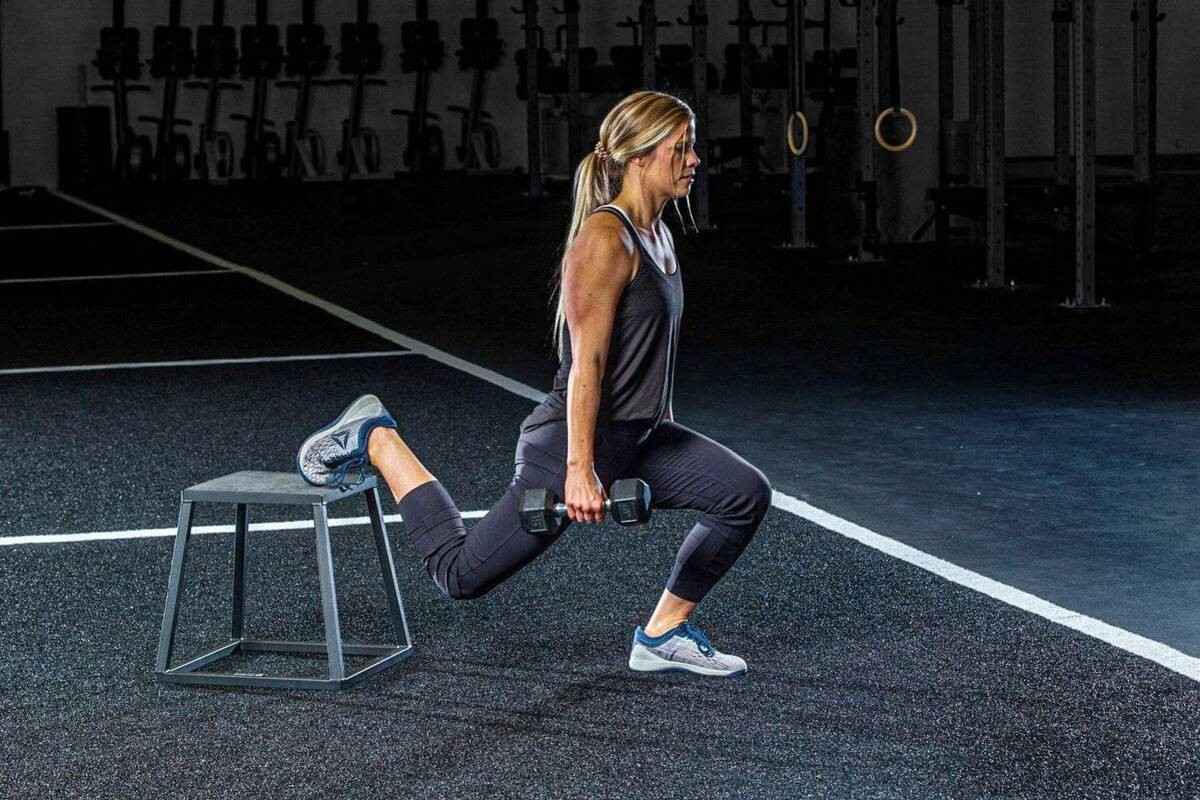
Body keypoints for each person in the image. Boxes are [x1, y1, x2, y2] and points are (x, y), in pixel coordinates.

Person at [297, 91, 771, 677]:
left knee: (743, 494)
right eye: (683, 147)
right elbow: (585, 367)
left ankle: (662, 633)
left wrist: (655, 430)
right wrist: (579, 468)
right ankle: (377, 438)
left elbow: (647, 355)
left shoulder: (661, 236)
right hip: (570, 444)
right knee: (461, 576)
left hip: (640, 437)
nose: (695, 159)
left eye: (693, 145)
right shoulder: (606, 240)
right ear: (640, 157)